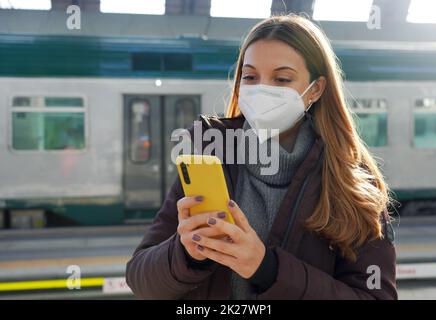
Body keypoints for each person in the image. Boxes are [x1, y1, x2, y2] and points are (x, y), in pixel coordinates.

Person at [126, 14, 397, 300]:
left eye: (281, 79)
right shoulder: (212, 153)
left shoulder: (352, 182)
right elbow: (140, 278)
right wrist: (186, 254)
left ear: (315, 90)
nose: (261, 90)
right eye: (251, 77)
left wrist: (267, 269)